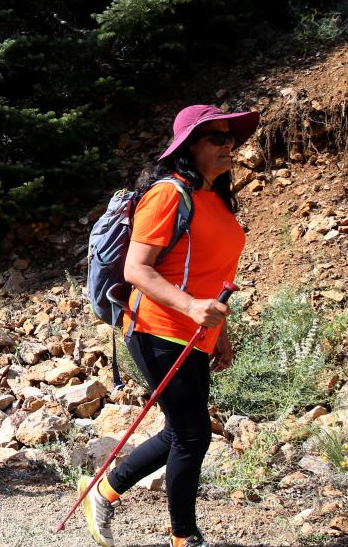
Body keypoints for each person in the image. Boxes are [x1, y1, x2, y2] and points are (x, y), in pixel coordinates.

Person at [80, 105, 257, 547]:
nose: (227, 144)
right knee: (193, 435)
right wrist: (194, 308)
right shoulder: (168, 194)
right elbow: (138, 270)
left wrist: (221, 333)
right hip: (156, 325)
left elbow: (212, 276)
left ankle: (103, 491)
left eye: (229, 137)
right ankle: (185, 537)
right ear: (189, 146)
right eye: (216, 137)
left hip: (195, 332)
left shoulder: (213, 198)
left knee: (182, 431)